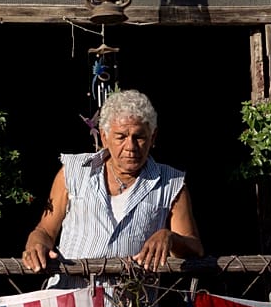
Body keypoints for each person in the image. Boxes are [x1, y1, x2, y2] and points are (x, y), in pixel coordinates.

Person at [22, 89, 203, 275]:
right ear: (104, 137)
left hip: (134, 294)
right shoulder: (73, 171)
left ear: (153, 137)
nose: (131, 146)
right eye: (121, 137)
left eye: (139, 137)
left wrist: (170, 237)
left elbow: (195, 248)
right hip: (71, 291)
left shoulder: (171, 183)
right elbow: (45, 231)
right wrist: (36, 245)